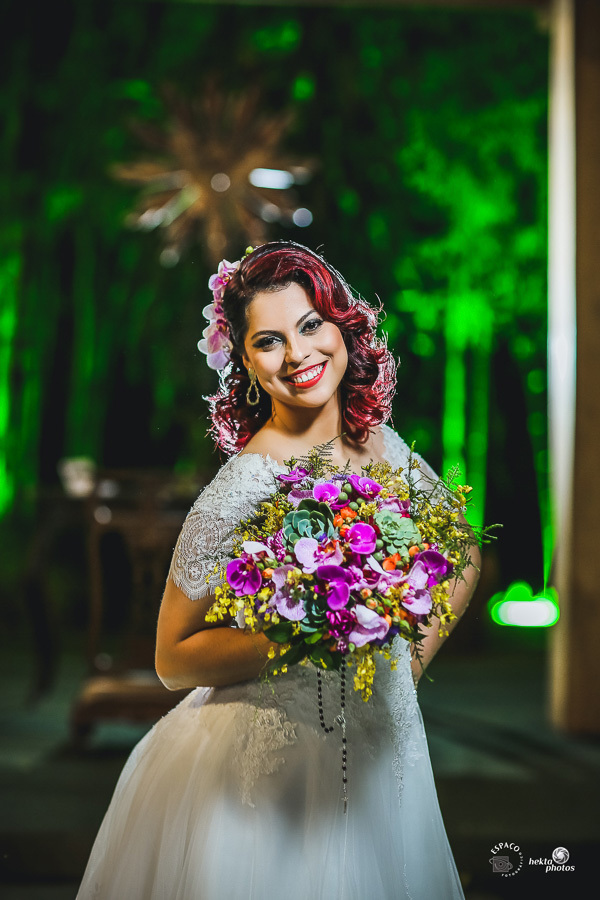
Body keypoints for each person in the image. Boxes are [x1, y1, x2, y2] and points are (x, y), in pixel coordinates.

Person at [76, 241, 479, 899]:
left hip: (385, 748)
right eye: (268, 340)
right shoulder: (244, 483)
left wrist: (409, 660)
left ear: (344, 325)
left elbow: (460, 547)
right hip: (266, 776)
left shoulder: (375, 441)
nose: (297, 355)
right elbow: (172, 658)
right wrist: (308, 635)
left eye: (310, 325)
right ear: (242, 361)